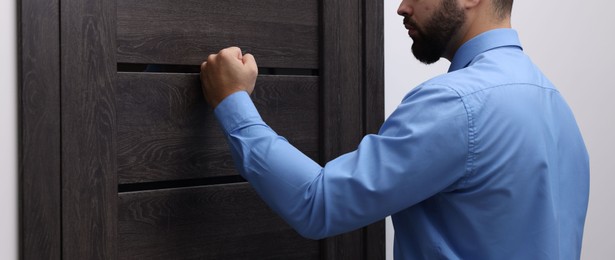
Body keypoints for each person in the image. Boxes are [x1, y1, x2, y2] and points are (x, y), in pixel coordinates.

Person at [200, 0, 590, 258]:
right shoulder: (558, 106)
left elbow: (316, 204)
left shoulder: (457, 103)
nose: (402, 6)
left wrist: (233, 101)